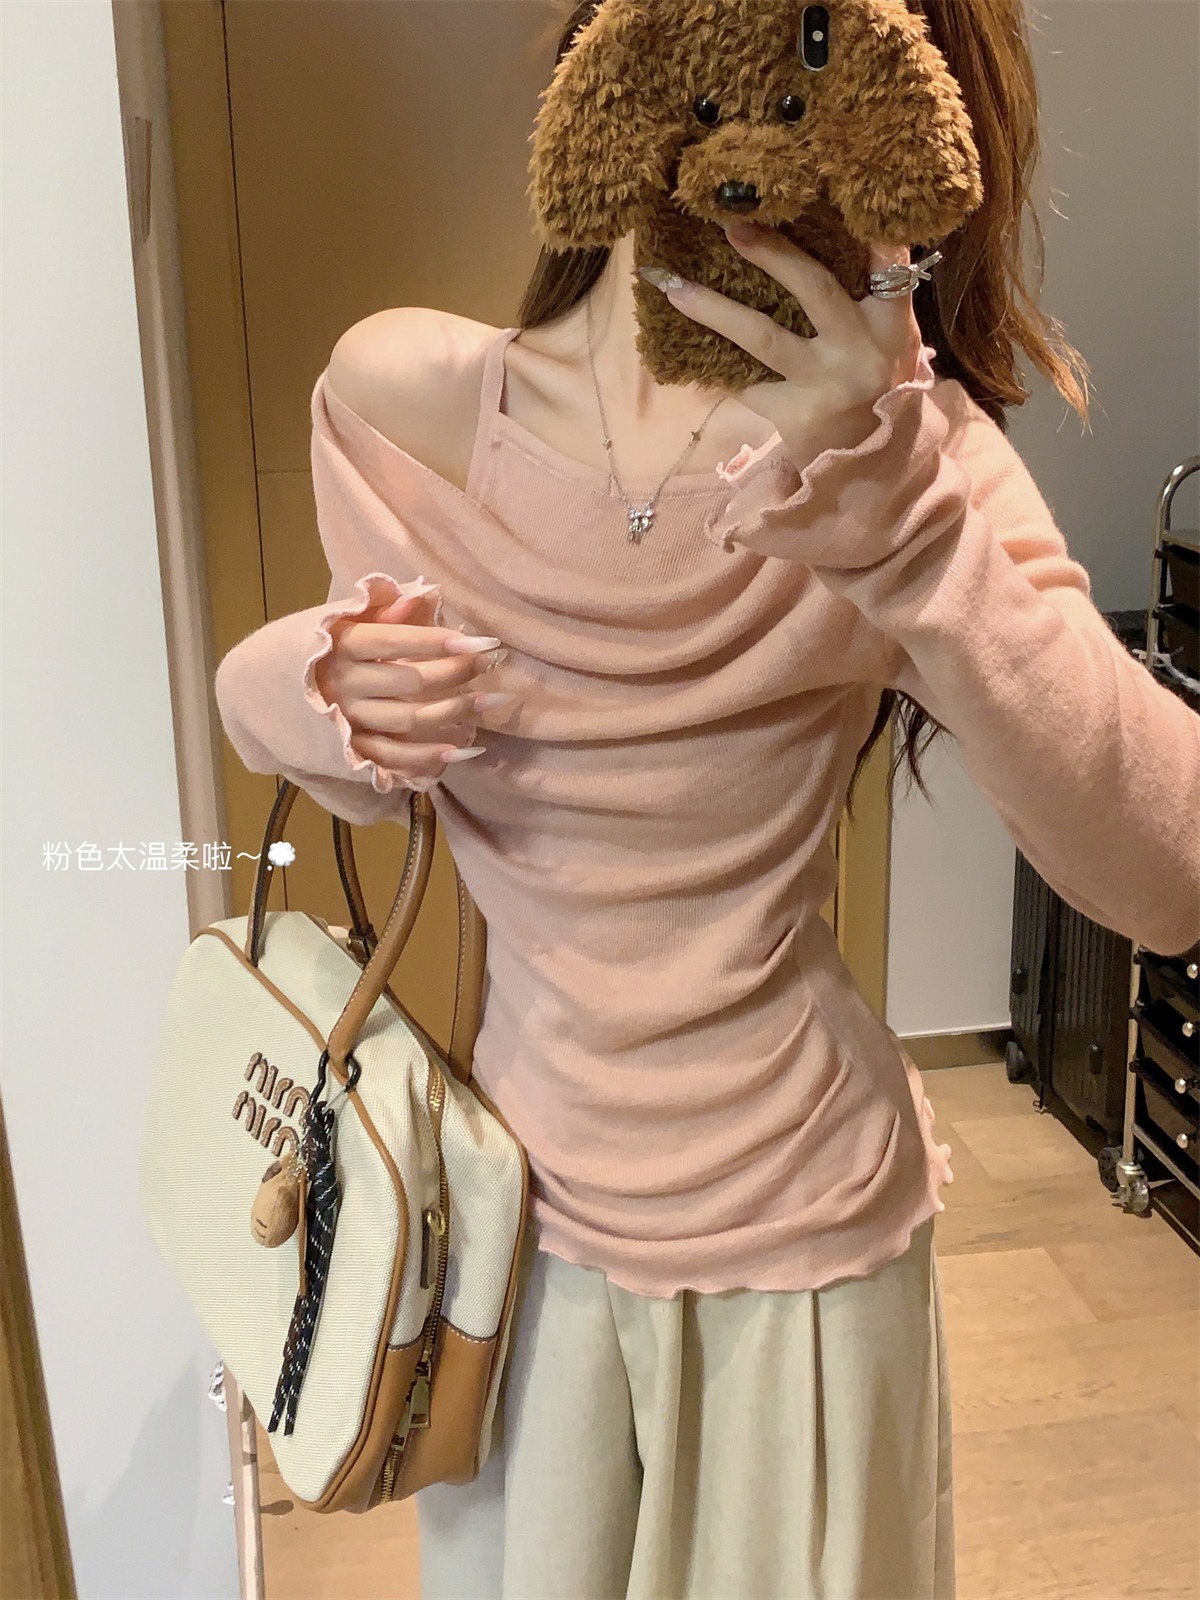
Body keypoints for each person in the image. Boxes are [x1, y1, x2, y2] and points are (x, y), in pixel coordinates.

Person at [213, 3, 1200, 1594]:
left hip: (808, 1251)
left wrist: (915, 529)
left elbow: (1168, 874)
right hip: (516, 1237)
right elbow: (382, 768)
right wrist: (285, 684)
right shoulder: (411, 403)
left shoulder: (903, 460)